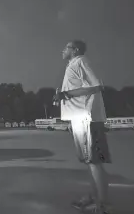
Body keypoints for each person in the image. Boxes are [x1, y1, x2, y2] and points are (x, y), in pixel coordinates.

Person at [53, 40, 112, 214]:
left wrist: (66, 94)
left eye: (66, 47)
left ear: (75, 50)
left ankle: (102, 205)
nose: (63, 50)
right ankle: (93, 197)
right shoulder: (73, 64)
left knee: (94, 162)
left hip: (87, 119)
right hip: (79, 119)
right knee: (89, 161)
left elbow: (95, 86)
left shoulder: (80, 61)